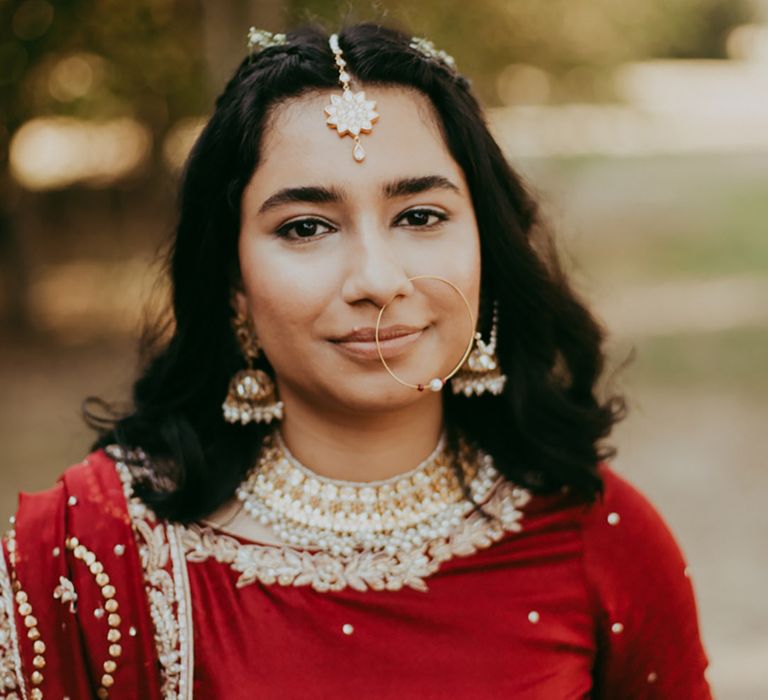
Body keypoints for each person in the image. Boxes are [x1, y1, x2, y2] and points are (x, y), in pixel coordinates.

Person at [0, 22, 712, 699]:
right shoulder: (93, 550)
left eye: (420, 216)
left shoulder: (599, 536)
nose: (376, 278)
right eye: (306, 227)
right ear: (234, 287)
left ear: (487, 251)